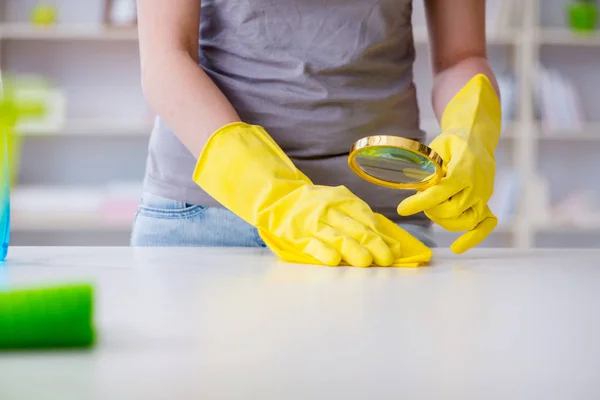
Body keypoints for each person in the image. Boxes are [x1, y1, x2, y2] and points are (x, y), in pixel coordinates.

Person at [131, 0, 502, 267]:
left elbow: (461, 55)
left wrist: (471, 132)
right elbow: (167, 58)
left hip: (376, 222)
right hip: (208, 216)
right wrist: (275, 196)